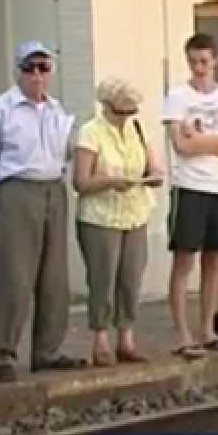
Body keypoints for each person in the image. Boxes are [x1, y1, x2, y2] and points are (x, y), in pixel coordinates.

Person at [0, 41, 82, 381]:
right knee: (13, 274)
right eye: (30, 68)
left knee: (54, 275)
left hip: (52, 188)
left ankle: (47, 350)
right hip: (14, 188)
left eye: (43, 67)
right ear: (17, 71)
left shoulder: (57, 110)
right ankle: (0, 353)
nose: (37, 75)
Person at [161, 33, 218, 359]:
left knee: (215, 261)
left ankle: (207, 328)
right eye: (193, 62)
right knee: (185, 259)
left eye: (204, 61)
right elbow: (181, 146)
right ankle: (182, 332)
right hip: (190, 186)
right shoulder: (177, 97)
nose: (199, 68)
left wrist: (202, 140)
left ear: (214, 61)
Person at [72, 78, 163, 366]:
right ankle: (100, 339)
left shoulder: (138, 128)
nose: (127, 116)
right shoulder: (90, 132)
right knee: (103, 278)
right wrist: (110, 182)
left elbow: (153, 165)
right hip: (100, 216)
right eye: (121, 111)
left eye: (131, 111)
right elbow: (81, 182)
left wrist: (154, 175)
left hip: (135, 213)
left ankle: (126, 338)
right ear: (107, 106)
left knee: (131, 277)